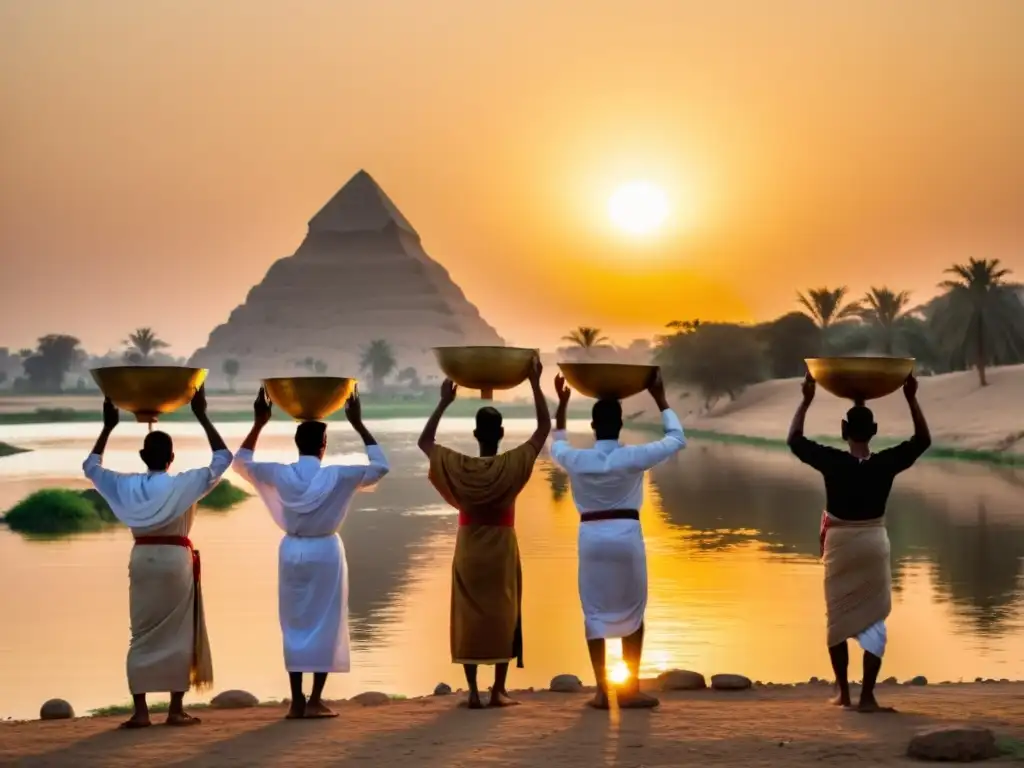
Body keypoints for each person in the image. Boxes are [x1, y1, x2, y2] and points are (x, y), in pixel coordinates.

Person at [232, 387, 388, 720]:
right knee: (325, 623)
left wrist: (260, 422)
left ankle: (296, 701)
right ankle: (315, 700)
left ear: (297, 444)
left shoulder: (279, 473)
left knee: (294, 623)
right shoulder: (338, 475)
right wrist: (359, 425)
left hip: (291, 551)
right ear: (323, 446)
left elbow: (240, 462)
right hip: (325, 551)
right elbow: (381, 466)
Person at [82, 385, 231, 729]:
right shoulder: (184, 483)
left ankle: (141, 712)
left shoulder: (126, 485)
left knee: (142, 633)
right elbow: (223, 459)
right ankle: (175, 710)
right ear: (172, 457)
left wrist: (108, 427)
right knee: (178, 633)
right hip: (175, 561)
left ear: (142, 456)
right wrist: (201, 414)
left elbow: (90, 466)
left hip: (143, 559)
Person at [787, 372, 931, 713]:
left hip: (840, 545)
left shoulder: (833, 462)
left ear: (842, 431)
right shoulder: (885, 464)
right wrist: (911, 398)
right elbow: (922, 440)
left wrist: (806, 400)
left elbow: (794, 439)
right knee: (874, 617)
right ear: (875, 432)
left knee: (837, 616)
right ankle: (867, 696)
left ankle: (844, 694)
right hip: (872, 542)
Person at [418, 356, 550, 709]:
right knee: (504, 612)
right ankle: (497, 690)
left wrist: (444, 401)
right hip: (502, 547)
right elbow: (542, 431)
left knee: (468, 614)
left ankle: (474, 693)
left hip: (469, 548)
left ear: (476, 435)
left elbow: (424, 442)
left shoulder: (459, 467)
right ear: (502, 434)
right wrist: (536, 384)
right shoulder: (511, 465)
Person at [551, 370, 686, 710]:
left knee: (594, 611)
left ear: (594, 427)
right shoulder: (632, 457)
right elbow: (676, 439)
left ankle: (600, 692)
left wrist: (563, 404)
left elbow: (556, 442)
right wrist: (660, 399)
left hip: (592, 538)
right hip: (626, 538)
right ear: (621, 425)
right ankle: (629, 689)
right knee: (633, 611)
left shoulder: (578, 459)